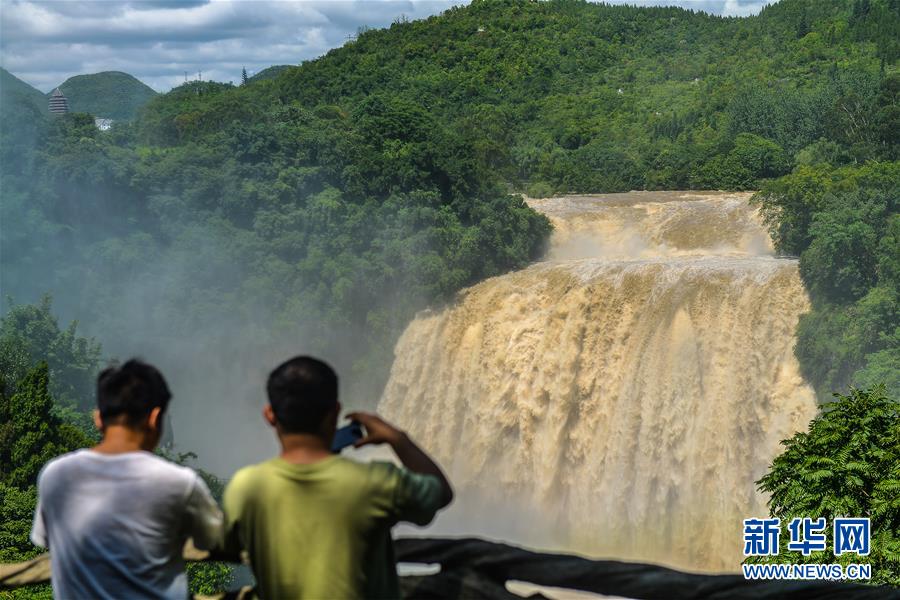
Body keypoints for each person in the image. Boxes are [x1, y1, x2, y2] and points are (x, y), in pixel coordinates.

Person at [222, 355, 453, 599]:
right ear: (335, 412)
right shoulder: (376, 482)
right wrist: (397, 438)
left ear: (270, 415)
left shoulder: (246, 487)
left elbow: (225, 546)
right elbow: (441, 493)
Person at [30, 359, 223, 599]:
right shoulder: (179, 483)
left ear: (98, 418)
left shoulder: (56, 475)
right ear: (155, 418)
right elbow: (213, 540)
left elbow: (45, 540)